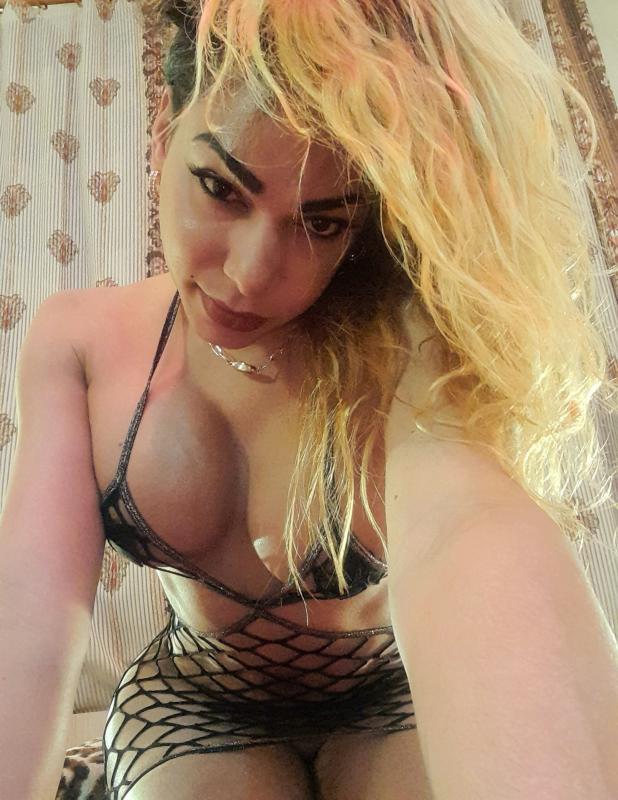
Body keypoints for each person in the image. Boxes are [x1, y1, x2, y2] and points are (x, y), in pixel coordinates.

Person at [1, 1, 617, 799]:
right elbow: (31, 609)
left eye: (320, 224)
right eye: (220, 188)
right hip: (196, 702)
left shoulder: (409, 347)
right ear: (163, 134)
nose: (252, 274)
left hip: (392, 695)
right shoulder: (79, 343)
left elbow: (467, 523)